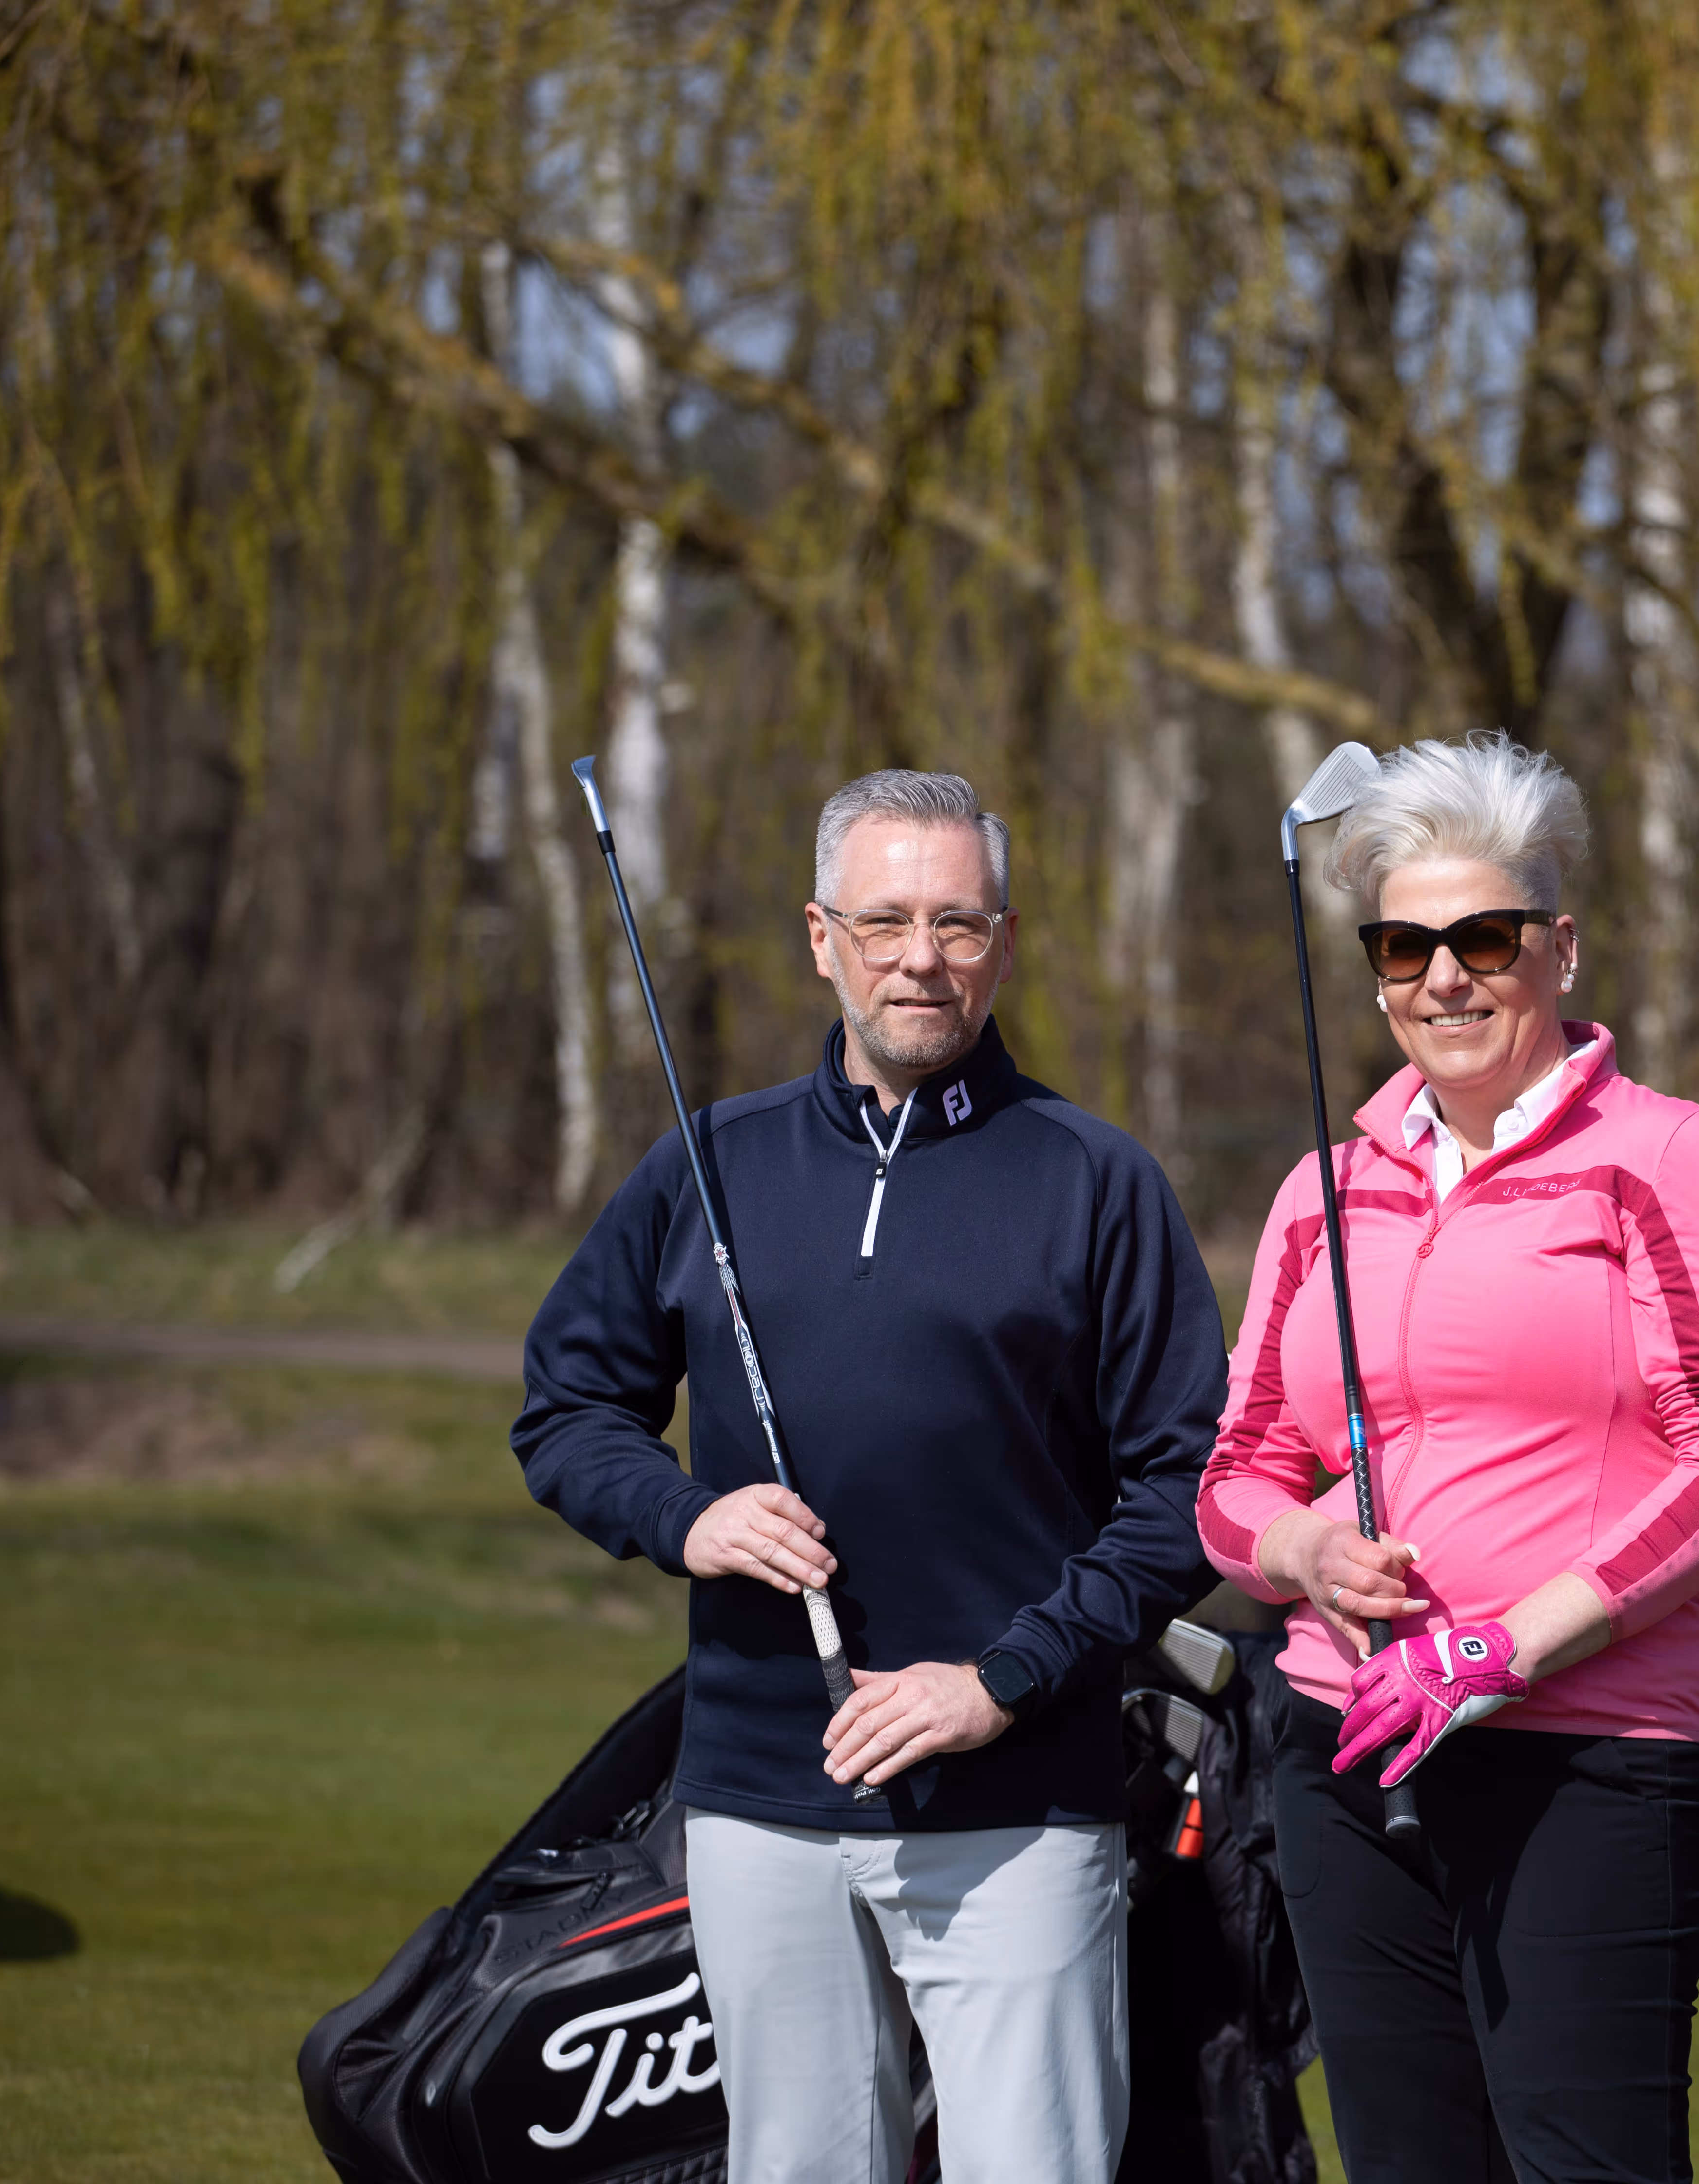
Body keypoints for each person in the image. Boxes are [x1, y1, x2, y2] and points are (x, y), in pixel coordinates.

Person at [515, 768, 1224, 2184]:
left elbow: (1187, 1486)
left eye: (959, 924)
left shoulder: (1094, 1180)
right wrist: (684, 1514)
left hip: (1017, 1812)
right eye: (886, 919)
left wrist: (1001, 1679)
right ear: (820, 936)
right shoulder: (708, 1163)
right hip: (759, 1802)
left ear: (1004, 944)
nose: (922, 958)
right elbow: (569, 1407)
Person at [1195, 733, 1699, 2184]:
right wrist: (1300, 1552)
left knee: (1584, 2162)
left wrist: (1506, 1647)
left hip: (1586, 1757)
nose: (1445, 978)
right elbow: (1237, 1471)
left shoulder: (1662, 1158)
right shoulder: (1325, 1191)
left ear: (1559, 948)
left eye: (1485, 938)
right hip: (1347, 1751)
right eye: (1406, 945)